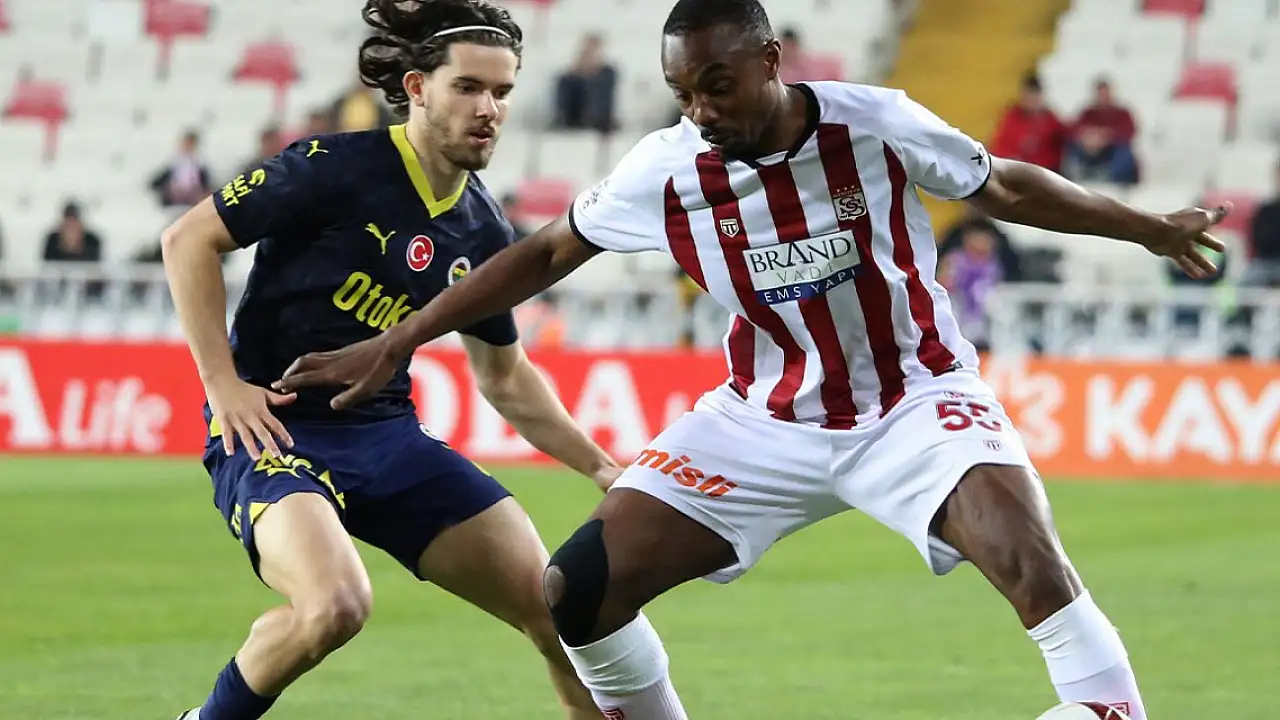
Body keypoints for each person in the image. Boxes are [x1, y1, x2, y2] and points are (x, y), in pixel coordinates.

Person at [273, 1, 1230, 719]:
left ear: (770, 62)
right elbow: (546, 252)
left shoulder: (875, 123)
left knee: (1032, 564)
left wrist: (1147, 228)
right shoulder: (668, 167)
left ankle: (1111, 706)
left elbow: (1006, 186)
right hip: (762, 416)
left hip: (914, 398)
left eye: (717, 85)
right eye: (683, 93)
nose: (701, 110)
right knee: (577, 594)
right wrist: (400, 339)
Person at [160, 1, 615, 719]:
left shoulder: (483, 229)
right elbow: (188, 238)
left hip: (389, 439)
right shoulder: (331, 167)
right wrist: (223, 386)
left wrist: (601, 466)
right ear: (417, 88)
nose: (489, 108)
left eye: (502, 92)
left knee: (560, 614)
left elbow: (505, 377)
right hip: (276, 431)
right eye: (468, 87)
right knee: (335, 606)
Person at [991, 73, 1067, 173]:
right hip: (1014, 169)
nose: (1032, 101)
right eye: (1029, 97)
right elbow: (1000, 146)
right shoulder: (1012, 116)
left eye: (1035, 97)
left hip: (1043, 171)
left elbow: (1067, 138)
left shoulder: (1051, 121)